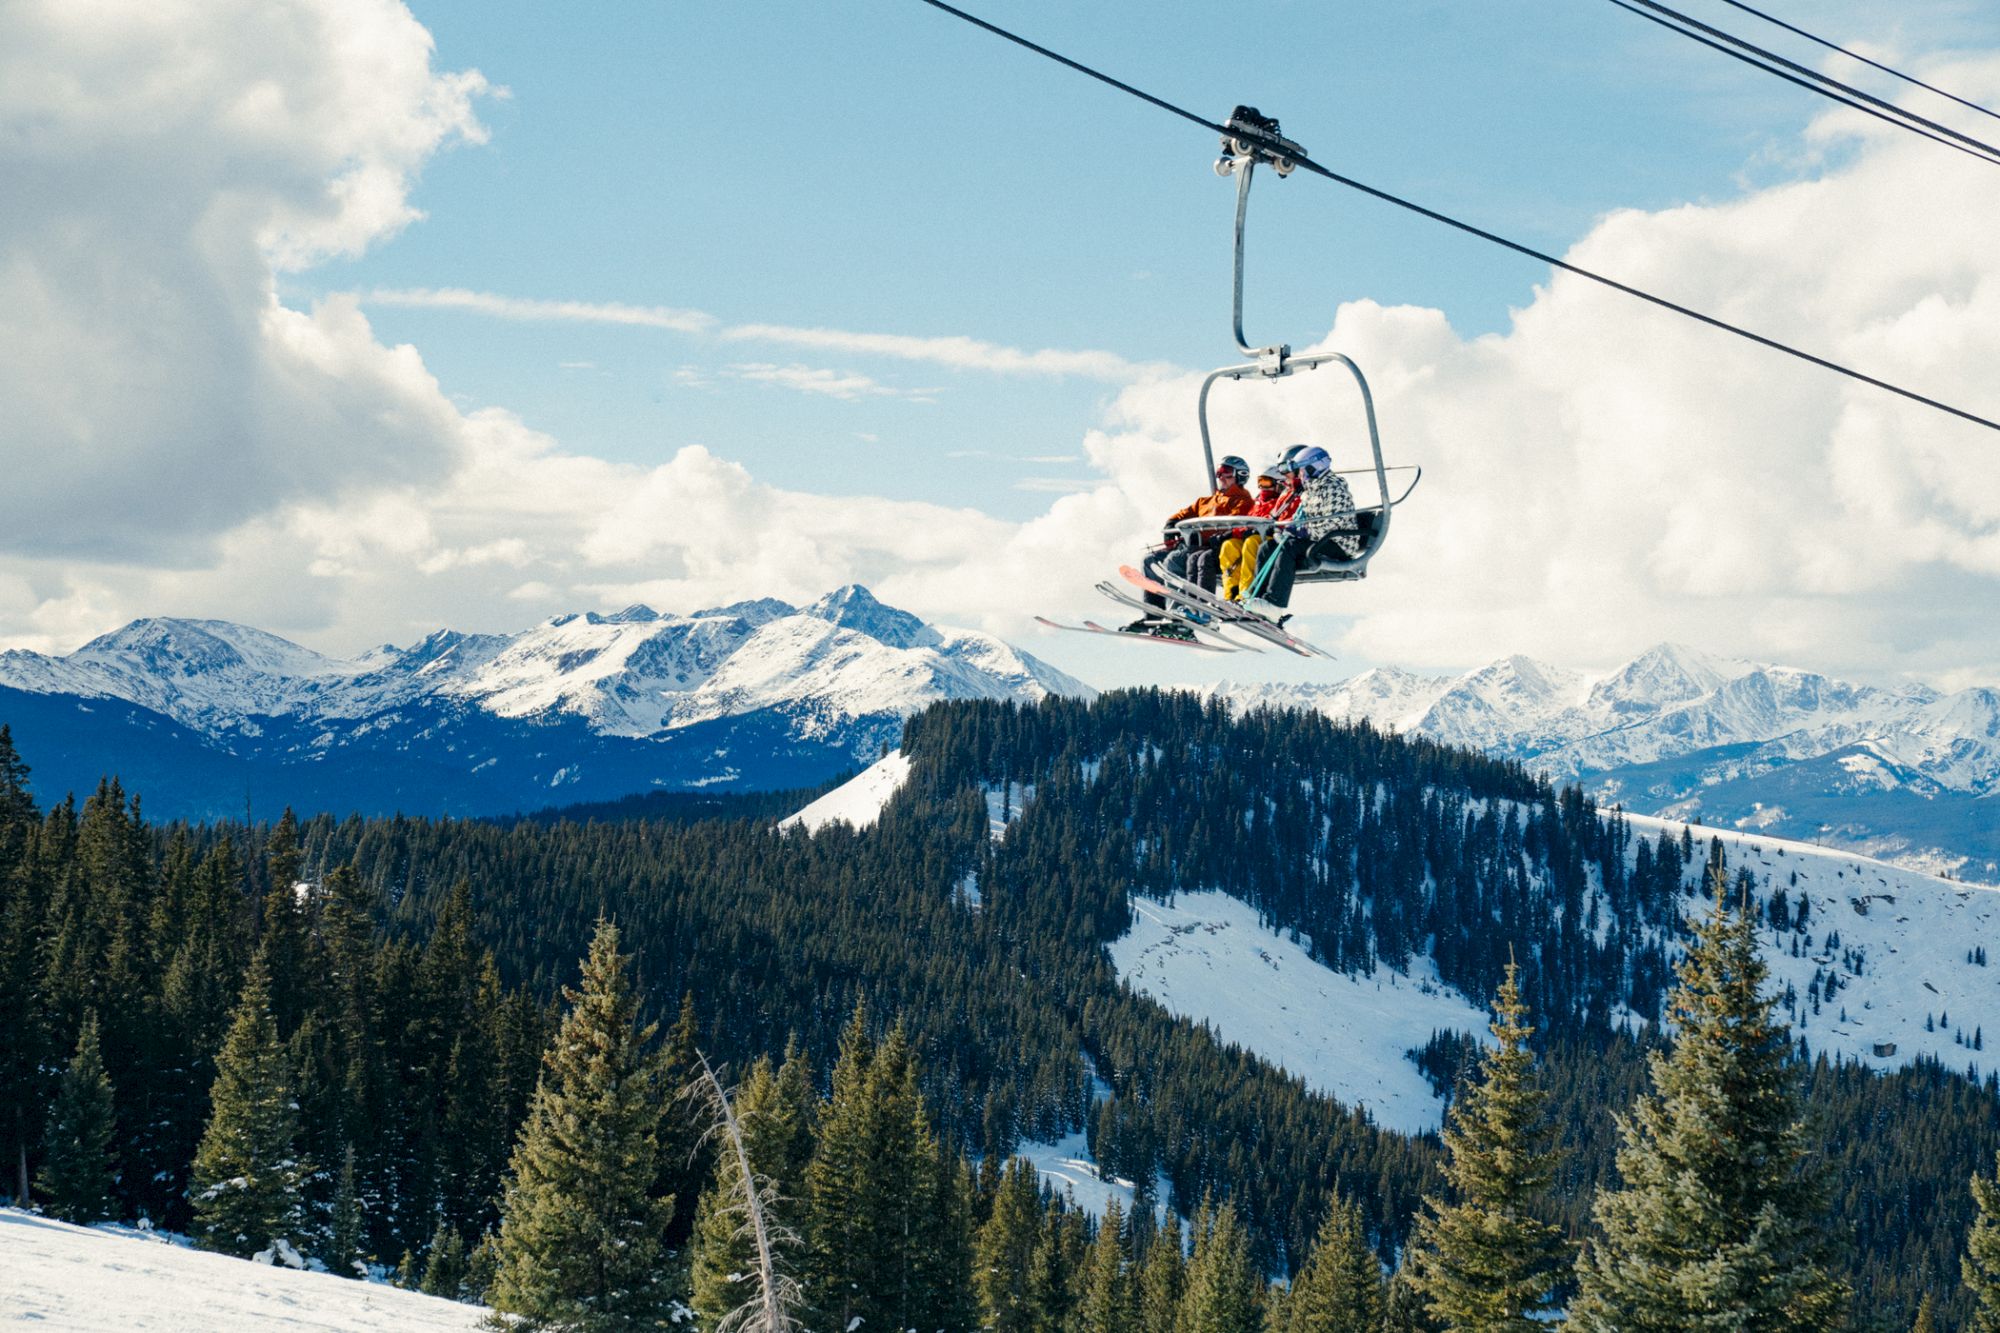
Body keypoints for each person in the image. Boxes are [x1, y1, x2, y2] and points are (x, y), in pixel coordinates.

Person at [1122, 455, 1254, 636]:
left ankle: (1180, 615)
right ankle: (1153, 615)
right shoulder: (1204, 502)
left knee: (1173, 562)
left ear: (1240, 476)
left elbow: (1233, 525)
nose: (1220, 476)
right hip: (1188, 546)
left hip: (1208, 548)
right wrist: (1171, 524)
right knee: (1150, 561)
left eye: (1226, 472)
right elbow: (1182, 515)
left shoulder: (1242, 501)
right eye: (1219, 472)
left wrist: (1205, 533)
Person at [1253, 445, 1363, 612]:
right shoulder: (1310, 490)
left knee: (1290, 547)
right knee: (1267, 547)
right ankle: (1257, 598)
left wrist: (1302, 530)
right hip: (1318, 540)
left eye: (1301, 470)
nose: (1299, 475)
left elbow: (1331, 524)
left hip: (1337, 543)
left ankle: (1274, 604)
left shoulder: (1333, 488)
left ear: (1314, 467)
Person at [1218, 458, 1300, 602]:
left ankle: (1245, 594)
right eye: (1260, 482)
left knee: (1251, 543)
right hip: (1255, 536)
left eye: (1266, 483)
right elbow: (1247, 521)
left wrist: (1263, 529)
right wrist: (1234, 532)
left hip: (1270, 538)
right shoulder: (1258, 503)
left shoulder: (1283, 500)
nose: (1262, 487)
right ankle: (1231, 593)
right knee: (1229, 546)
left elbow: (1284, 520)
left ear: (1279, 484)